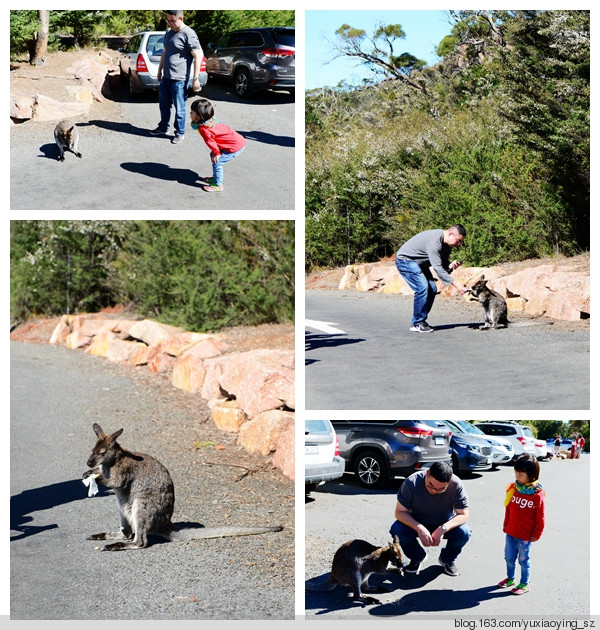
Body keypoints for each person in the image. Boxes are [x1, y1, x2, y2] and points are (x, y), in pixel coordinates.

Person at [389, 461, 471, 577]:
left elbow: (464, 515)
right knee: (397, 529)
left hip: (444, 523)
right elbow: (399, 512)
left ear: (449, 482)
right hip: (416, 522)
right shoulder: (412, 482)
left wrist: (443, 528)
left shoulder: (456, 484)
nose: (434, 491)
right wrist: (419, 527)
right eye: (430, 485)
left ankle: (447, 559)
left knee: (464, 532)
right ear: (427, 473)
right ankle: (417, 557)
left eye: (441, 489)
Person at [395, 225, 470, 333]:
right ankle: (417, 323)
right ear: (450, 234)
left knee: (432, 289)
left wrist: (450, 266)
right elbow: (438, 269)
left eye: (461, 242)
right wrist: (457, 285)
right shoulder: (435, 242)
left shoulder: (447, 246)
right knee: (422, 288)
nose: (459, 244)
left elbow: (443, 266)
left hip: (420, 264)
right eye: (458, 241)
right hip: (406, 260)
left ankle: (421, 321)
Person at [150, 11, 203, 144]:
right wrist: (159, 70)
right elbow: (165, 52)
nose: (170, 23)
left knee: (179, 108)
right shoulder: (168, 33)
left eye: (172, 21)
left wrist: (195, 78)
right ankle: (163, 128)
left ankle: (180, 133)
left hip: (179, 79)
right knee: (164, 105)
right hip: (166, 77)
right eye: (168, 21)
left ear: (181, 18)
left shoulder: (188, 33)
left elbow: (198, 55)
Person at [498, 454, 545, 595]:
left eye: (521, 474)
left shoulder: (537, 494)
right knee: (509, 558)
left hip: (525, 536)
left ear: (532, 476)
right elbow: (508, 508)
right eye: (516, 473)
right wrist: (506, 524)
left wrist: (537, 533)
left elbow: (541, 516)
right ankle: (510, 578)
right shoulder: (514, 488)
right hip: (511, 532)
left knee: (523, 561)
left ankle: (524, 583)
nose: (517, 476)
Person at [189, 98, 246, 192]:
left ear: (199, 116)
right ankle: (216, 178)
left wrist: (217, 153)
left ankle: (218, 184)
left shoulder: (205, 129)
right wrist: (216, 152)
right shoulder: (211, 120)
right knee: (213, 156)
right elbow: (218, 136)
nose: (190, 114)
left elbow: (210, 142)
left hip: (235, 146)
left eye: (192, 112)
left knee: (217, 162)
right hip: (234, 142)